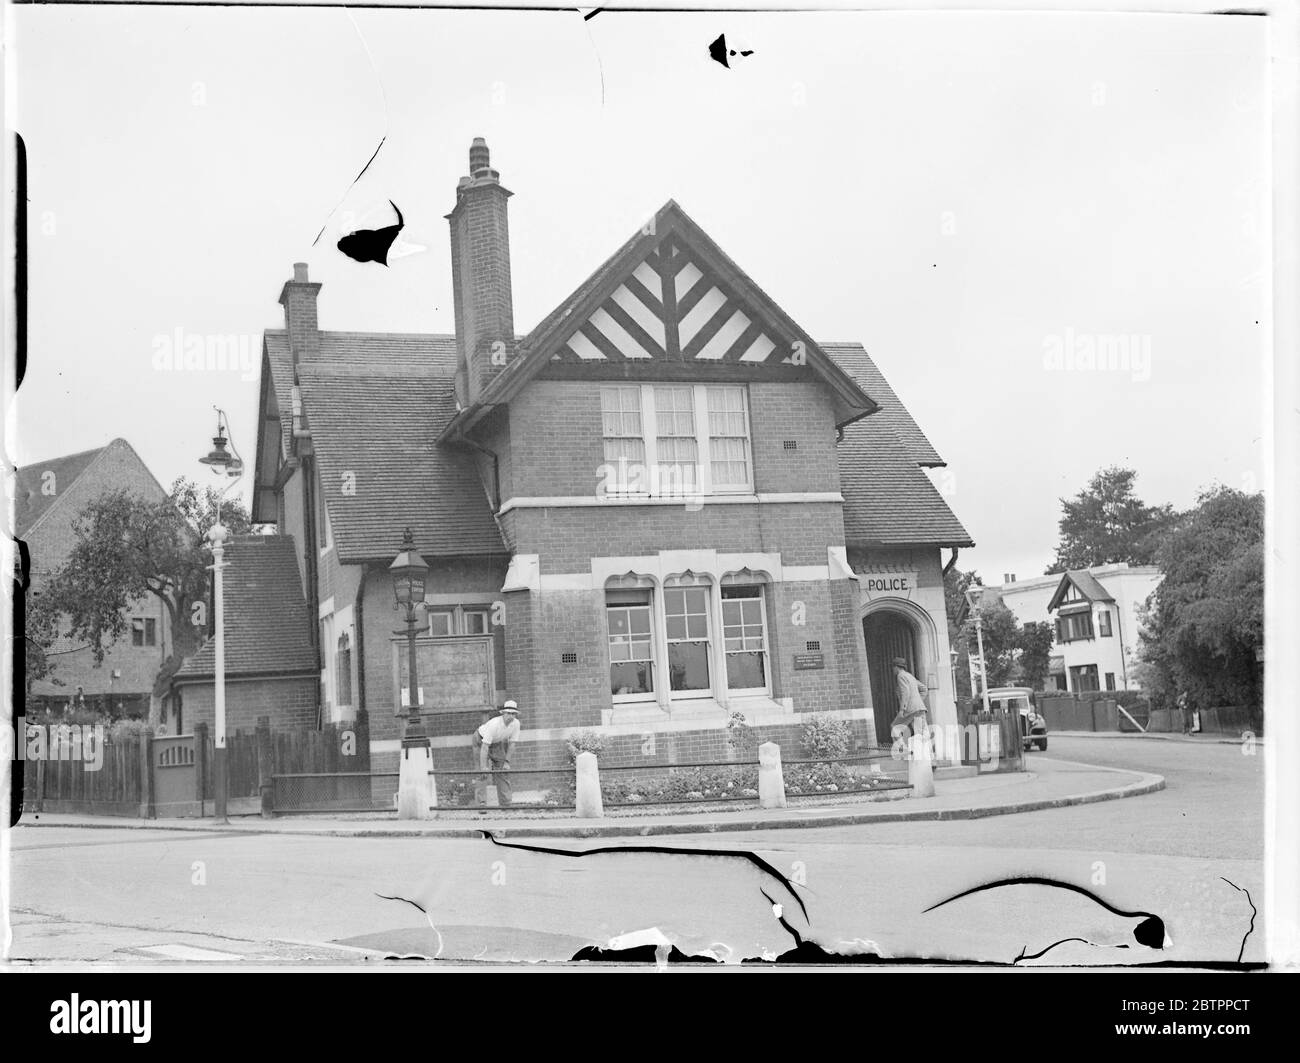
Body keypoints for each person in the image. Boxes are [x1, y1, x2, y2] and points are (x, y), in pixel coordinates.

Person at [472, 701, 521, 806]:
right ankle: (482, 804)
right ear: (503, 713)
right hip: (480, 741)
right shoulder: (494, 724)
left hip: (497, 743)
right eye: (508, 713)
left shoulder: (516, 724)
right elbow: (485, 747)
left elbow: (512, 745)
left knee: (503, 771)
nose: (510, 716)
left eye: (513, 714)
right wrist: (484, 766)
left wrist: (507, 762)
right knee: (482, 773)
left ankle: (506, 803)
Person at [890, 658, 933, 755]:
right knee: (923, 733)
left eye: (893, 667)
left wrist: (902, 709)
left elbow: (905, 692)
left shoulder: (900, 676)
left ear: (897, 667)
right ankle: (931, 759)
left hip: (911, 709)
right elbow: (924, 689)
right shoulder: (910, 676)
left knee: (895, 728)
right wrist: (918, 701)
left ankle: (903, 750)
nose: (893, 670)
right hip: (920, 708)